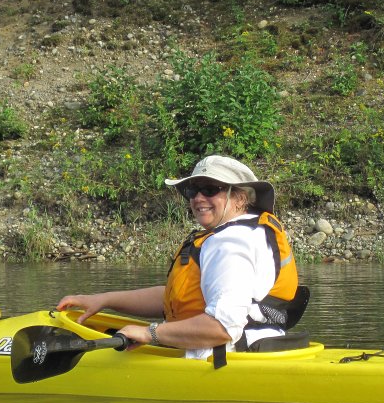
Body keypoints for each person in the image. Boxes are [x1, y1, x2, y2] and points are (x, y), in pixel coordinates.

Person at [56, 155, 299, 365]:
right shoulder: (247, 232)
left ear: (239, 198)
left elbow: (222, 327)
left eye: (211, 189)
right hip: (263, 347)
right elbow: (179, 298)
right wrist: (105, 300)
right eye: (193, 190)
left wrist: (149, 333)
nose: (199, 198)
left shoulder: (229, 242)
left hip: (223, 358)